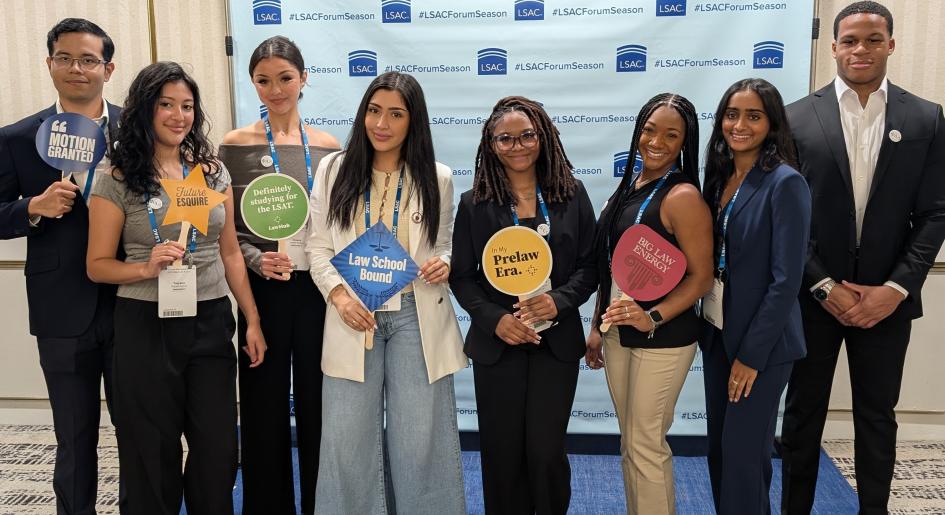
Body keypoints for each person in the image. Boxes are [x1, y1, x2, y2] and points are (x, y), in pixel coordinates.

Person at [780, 3, 945, 513]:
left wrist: (895, 289)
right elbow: (788, 221)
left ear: (890, 45)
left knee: (877, 416)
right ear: (833, 47)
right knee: (803, 415)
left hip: (886, 303)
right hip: (814, 300)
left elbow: (936, 213)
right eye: (850, 40)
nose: (861, 50)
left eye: (873, 39)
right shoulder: (794, 118)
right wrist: (823, 285)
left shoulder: (926, 117)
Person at [86, 62, 266, 515]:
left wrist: (252, 321)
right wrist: (145, 268)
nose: (177, 115)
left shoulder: (211, 172)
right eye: (166, 104)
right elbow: (97, 266)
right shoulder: (118, 177)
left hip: (209, 320)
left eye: (186, 106)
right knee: (152, 452)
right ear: (145, 109)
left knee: (218, 449)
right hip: (144, 325)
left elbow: (229, 255)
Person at [306, 71, 467, 514]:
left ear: (413, 122)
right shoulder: (334, 169)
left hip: (416, 314)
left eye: (396, 114)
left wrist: (445, 262)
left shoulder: (437, 177)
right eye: (374, 111)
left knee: (421, 440)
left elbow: (445, 242)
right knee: (345, 440)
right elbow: (317, 246)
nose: (382, 123)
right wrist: (338, 295)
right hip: (352, 313)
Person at [450, 96, 598, 514]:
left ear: (543, 136)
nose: (518, 146)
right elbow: (462, 276)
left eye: (527, 136)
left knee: (546, 451)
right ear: (491, 144)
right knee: (502, 454)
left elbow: (590, 266)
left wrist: (559, 301)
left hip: (556, 346)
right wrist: (495, 320)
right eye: (506, 139)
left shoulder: (572, 194)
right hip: (499, 346)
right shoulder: (474, 204)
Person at [0, 18, 121, 514]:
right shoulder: (15, 137)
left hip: (132, 300)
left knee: (139, 429)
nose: (77, 68)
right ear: (49, 63)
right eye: (66, 58)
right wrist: (32, 207)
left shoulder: (137, 130)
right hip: (59, 307)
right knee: (74, 437)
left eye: (89, 59)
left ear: (108, 69)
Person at [219, 35, 340, 515]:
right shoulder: (234, 144)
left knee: (320, 405)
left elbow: (338, 223)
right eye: (263, 81)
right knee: (263, 405)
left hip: (318, 289)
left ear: (304, 78)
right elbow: (228, 232)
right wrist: (255, 261)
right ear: (253, 84)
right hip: (265, 290)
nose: (275, 89)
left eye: (285, 78)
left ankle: (322, 503)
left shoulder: (329, 147)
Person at [584, 93, 713, 515]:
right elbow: (609, 266)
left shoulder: (682, 197)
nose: (656, 141)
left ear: (684, 143)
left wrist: (652, 316)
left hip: (666, 338)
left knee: (645, 443)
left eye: (671, 135)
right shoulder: (629, 189)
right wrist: (596, 326)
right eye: (649, 129)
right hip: (618, 334)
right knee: (631, 442)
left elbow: (701, 278)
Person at [700, 78, 811, 515]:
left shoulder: (785, 183)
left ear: (772, 123)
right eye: (732, 114)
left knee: (744, 457)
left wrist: (751, 356)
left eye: (753, 115)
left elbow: (786, 281)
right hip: (718, 336)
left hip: (762, 347)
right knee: (723, 454)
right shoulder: (721, 178)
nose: (739, 124)